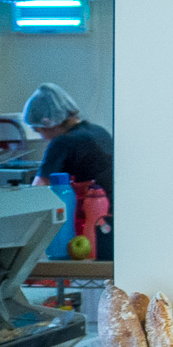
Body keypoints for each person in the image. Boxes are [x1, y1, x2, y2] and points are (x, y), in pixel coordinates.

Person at [24, 82, 113, 258]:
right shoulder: (99, 131)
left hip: (85, 222)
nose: (41, 137)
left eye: (39, 130)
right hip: (108, 220)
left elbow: (39, 187)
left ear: (47, 122)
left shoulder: (62, 142)